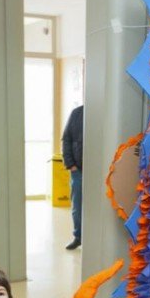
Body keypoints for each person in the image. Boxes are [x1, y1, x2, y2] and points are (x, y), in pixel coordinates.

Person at [61, 104, 84, 250]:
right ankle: (78, 237)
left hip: (99, 172)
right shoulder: (76, 113)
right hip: (78, 170)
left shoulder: (103, 113)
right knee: (77, 207)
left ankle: (93, 238)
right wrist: (71, 165)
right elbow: (66, 139)